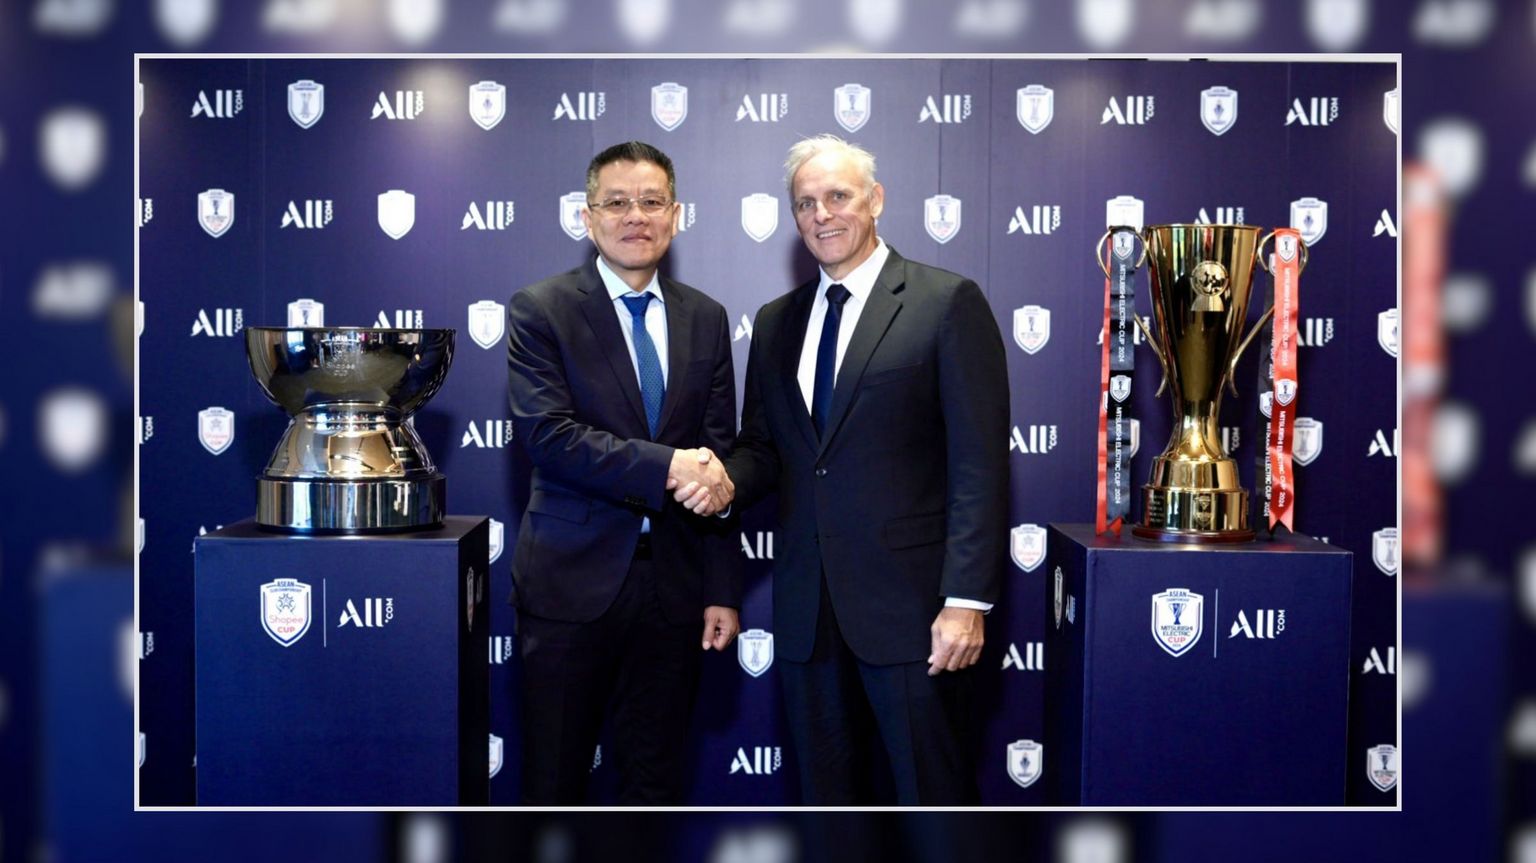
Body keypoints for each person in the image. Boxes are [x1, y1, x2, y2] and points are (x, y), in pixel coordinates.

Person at [686, 134, 1009, 804]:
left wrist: (965, 601)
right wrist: (720, 480)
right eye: (805, 203)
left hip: (916, 617)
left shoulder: (945, 302)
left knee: (935, 813)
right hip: (808, 615)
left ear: (876, 199)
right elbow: (765, 449)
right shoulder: (776, 323)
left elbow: (978, 463)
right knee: (830, 819)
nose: (822, 214)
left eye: (838, 196)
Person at [506, 141, 739, 804]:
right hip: (569, 586)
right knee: (554, 781)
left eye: (651, 201)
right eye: (616, 202)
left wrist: (722, 587)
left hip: (675, 589)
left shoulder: (706, 317)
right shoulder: (541, 309)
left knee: (655, 783)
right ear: (588, 218)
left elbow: (717, 455)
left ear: (675, 215)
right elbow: (550, 436)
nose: (636, 215)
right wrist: (668, 465)